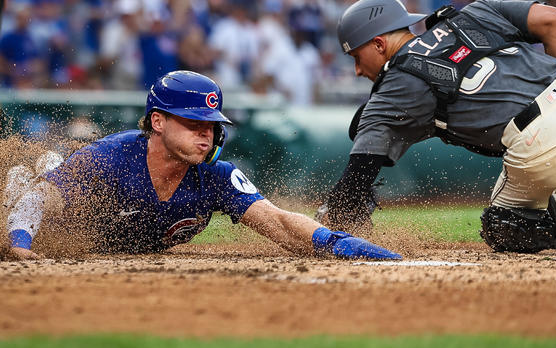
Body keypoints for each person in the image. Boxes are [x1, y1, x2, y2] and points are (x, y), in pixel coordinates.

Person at [318, 0, 556, 256]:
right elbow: (555, 20)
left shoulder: (394, 90)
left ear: (378, 44)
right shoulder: (472, 14)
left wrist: (333, 220)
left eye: (356, 57)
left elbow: (357, 178)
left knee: (501, 227)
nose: (358, 70)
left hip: (544, 140)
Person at [1, 70, 402, 261]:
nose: (205, 135)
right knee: (26, 193)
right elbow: (42, 198)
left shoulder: (215, 175)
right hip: (46, 222)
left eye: (211, 126)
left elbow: (277, 221)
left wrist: (337, 243)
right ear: (157, 121)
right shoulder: (109, 157)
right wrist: (19, 246)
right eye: (193, 124)